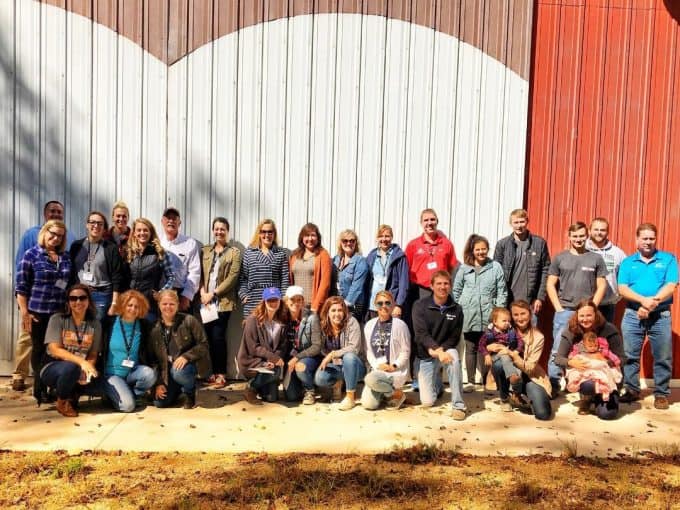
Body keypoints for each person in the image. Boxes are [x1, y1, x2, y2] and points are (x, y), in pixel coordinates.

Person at [11, 200, 76, 392]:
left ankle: (49, 384)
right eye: (52, 234)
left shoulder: (64, 255)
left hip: (56, 311)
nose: (55, 238)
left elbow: (66, 280)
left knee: (53, 349)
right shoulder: (31, 248)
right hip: (36, 309)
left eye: (59, 236)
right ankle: (34, 384)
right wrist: (24, 309)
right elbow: (21, 280)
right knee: (35, 346)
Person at [618, 223, 678, 410]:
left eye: (651, 238)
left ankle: (661, 393)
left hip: (660, 315)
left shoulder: (668, 259)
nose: (648, 242)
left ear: (656, 239)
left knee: (662, 356)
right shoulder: (628, 262)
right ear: (637, 240)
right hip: (632, 314)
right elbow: (622, 288)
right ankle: (632, 389)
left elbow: (671, 285)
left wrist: (652, 303)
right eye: (644, 238)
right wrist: (643, 301)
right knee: (629, 355)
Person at [546, 221, 608, 395]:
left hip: (587, 314)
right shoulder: (560, 258)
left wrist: (592, 307)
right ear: (569, 236)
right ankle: (554, 383)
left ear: (586, 235)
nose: (578, 239)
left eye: (581, 235)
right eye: (575, 236)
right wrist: (558, 308)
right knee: (558, 348)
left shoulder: (595, 258)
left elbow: (602, 285)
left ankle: (582, 383)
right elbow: (550, 284)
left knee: (587, 346)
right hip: (565, 310)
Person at [452, 234, 507, 392]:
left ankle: (485, 381)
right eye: (478, 249)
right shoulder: (464, 268)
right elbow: (456, 290)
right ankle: (470, 381)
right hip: (469, 314)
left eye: (484, 249)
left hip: (488, 314)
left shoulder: (495, 267)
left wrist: (497, 311)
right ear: (472, 250)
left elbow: (501, 291)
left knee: (487, 347)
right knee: (471, 348)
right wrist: (461, 307)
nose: (481, 252)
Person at [553, 299, 624, 419]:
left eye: (589, 315)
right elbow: (558, 358)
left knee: (607, 414)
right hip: (585, 375)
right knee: (587, 385)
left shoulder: (608, 330)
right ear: (577, 316)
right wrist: (571, 362)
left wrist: (603, 361)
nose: (585, 319)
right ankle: (587, 397)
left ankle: (603, 396)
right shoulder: (571, 331)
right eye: (582, 315)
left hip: (606, 375)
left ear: (596, 315)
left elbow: (623, 358)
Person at [39, 284, 102, 417]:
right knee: (71, 367)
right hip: (52, 367)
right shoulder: (57, 319)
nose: (78, 302)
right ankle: (61, 401)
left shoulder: (95, 324)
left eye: (82, 298)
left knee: (98, 379)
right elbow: (54, 349)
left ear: (88, 301)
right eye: (73, 298)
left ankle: (72, 393)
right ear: (68, 302)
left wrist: (88, 369)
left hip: (78, 368)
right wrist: (81, 363)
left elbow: (93, 354)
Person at [412, 270, 467, 420]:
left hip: (444, 350)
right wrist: (434, 350)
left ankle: (458, 405)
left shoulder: (457, 309)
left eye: (446, 283)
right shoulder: (419, 306)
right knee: (428, 401)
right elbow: (421, 334)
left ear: (450, 286)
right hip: (426, 353)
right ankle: (437, 384)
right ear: (431, 286)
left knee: (454, 359)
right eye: (439, 284)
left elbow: (454, 337)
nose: (442, 287)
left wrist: (440, 351)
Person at [488, 300, 552, 419]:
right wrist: (489, 347)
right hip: (509, 374)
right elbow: (487, 344)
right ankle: (506, 395)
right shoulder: (503, 330)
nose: (520, 318)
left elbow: (530, 368)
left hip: (530, 376)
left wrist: (512, 354)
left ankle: (522, 394)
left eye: (523, 313)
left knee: (543, 414)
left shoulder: (538, 336)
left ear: (530, 313)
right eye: (515, 315)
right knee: (498, 364)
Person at [148, 290, 210, 409]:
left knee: (178, 372)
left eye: (172, 304)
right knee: (160, 403)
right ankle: (177, 390)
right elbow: (153, 360)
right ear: (159, 305)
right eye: (164, 304)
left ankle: (190, 392)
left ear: (177, 305)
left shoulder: (189, 320)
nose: (168, 307)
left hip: (187, 368)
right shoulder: (154, 328)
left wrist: (186, 357)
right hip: (167, 372)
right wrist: (158, 383)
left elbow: (204, 344)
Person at [199, 217, 241, 389]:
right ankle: (212, 373)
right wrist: (202, 292)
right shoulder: (206, 251)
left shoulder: (234, 253)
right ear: (212, 230)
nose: (219, 232)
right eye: (216, 229)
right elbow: (200, 273)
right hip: (205, 302)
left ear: (227, 231)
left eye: (222, 229)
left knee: (218, 337)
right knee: (208, 338)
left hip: (222, 302)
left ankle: (221, 374)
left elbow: (232, 277)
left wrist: (213, 293)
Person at [100, 290, 156, 413]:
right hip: (113, 374)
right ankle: (113, 394)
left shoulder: (143, 325)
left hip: (132, 372)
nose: (133, 309)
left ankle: (133, 393)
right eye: (129, 305)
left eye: (137, 306)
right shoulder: (109, 323)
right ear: (123, 305)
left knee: (149, 374)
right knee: (128, 406)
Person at [493, 208, 550, 317]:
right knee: (507, 333)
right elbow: (495, 273)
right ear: (511, 223)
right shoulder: (502, 245)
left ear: (527, 222)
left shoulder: (539, 243)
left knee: (530, 333)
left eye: (522, 222)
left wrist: (539, 297)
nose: (519, 225)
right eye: (516, 222)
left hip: (530, 301)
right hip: (507, 300)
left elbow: (545, 271)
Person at [237, 287, 290, 405]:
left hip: (269, 363)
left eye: (275, 300)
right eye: (269, 300)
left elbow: (282, 345)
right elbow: (253, 347)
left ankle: (260, 386)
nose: (273, 303)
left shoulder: (282, 321)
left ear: (280, 301)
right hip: (252, 361)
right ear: (264, 301)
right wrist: (272, 358)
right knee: (275, 372)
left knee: (272, 398)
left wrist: (275, 358)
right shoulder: (252, 320)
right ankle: (251, 387)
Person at [69, 210, 126, 320]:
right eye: (92, 222)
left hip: (101, 295)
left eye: (100, 224)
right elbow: (71, 271)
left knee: (96, 328)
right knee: (79, 327)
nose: (96, 226)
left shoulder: (110, 248)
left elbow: (117, 276)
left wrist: (114, 302)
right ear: (87, 225)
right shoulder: (76, 246)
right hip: (79, 294)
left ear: (104, 228)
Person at [361, 291, 411, 411]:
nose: (383, 306)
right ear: (375, 305)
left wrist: (394, 366)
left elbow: (406, 351)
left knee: (370, 379)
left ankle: (394, 393)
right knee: (369, 405)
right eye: (380, 303)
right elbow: (368, 351)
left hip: (395, 372)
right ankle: (392, 394)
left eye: (387, 303)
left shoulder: (400, 325)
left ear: (393, 305)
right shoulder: (369, 325)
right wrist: (378, 365)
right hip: (378, 370)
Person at [314, 296, 366, 411]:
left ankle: (350, 397)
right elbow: (320, 348)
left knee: (349, 357)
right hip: (336, 366)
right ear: (327, 312)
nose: (337, 314)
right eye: (333, 310)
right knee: (320, 378)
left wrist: (333, 354)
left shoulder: (352, 322)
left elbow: (354, 348)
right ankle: (339, 382)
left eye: (340, 310)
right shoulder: (322, 326)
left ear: (344, 311)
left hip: (356, 366)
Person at [126, 218, 176, 321]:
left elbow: (171, 277)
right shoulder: (129, 252)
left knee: (148, 334)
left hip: (149, 305)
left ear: (150, 232)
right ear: (134, 233)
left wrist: (161, 294)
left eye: (145, 230)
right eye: (139, 230)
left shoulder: (160, 253)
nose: (142, 233)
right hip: (130, 304)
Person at [238, 219, 289, 317]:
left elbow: (285, 279)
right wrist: (243, 295)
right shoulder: (250, 252)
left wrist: (282, 299)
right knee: (253, 330)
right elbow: (242, 278)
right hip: (253, 300)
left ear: (274, 234)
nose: (267, 235)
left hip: (273, 299)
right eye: (263, 232)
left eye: (270, 232)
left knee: (273, 331)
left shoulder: (280, 253)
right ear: (259, 233)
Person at [283, 286, 322, 405]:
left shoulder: (312, 318)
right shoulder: (282, 317)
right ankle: (301, 382)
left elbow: (316, 346)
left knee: (300, 366)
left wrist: (297, 358)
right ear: (286, 301)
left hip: (309, 357)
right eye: (292, 299)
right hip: (290, 360)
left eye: (299, 300)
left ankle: (309, 390)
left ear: (303, 301)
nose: (296, 303)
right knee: (291, 397)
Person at [480, 307, 526, 407]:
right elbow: (481, 345)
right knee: (505, 357)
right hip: (496, 357)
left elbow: (520, 342)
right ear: (495, 321)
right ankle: (512, 377)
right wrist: (486, 354)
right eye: (504, 321)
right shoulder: (489, 333)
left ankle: (516, 392)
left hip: (510, 356)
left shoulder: (511, 331)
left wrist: (517, 351)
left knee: (518, 371)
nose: (507, 323)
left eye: (509, 321)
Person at [565, 332, 622, 411]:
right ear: (584, 345)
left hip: (601, 371)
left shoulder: (602, 351)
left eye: (595, 345)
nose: (593, 348)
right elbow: (572, 356)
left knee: (608, 414)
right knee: (586, 383)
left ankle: (603, 394)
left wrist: (614, 361)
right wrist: (572, 359)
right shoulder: (580, 352)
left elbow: (613, 357)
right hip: (587, 373)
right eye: (590, 346)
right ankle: (586, 399)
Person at [159, 207, 201, 312]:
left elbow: (195, 272)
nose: (171, 221)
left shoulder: (189, 243)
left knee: (184, 327)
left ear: (179, 222)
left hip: (181, 294)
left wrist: (186, 296)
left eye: (174, 218)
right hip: (161, 294)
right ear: (162, 221)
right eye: (168, 218)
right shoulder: (157, 242)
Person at [364, 224, 409, 320]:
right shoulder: (371, 256)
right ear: (377, 238)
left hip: (390, 305)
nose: (384, 239)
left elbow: (404, 283)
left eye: (387, 236)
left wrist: (399, 305)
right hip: (373, 305)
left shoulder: (399, 257)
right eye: (381, 236)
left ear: (392, 237)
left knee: (389, 333)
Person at [586, 217, 626, 322]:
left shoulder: (617, 253)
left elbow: (626, 277)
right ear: (589, 231)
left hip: (607, 305)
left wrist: (618, 295)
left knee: (604, 337)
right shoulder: (582, 250)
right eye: (596, 229)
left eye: (602, 230)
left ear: (607, 232)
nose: (599, 233)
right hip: (584, 304)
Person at [290, 223, 332, 314]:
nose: (310, 239)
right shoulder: (295, 255)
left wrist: (316, 305)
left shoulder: (323, 255)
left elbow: (325, 283)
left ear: (318, 238)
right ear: (302, 238)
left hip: (312, 306)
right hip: (295, 304)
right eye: (307, 235)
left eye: (313, 235)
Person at [332, 229, 369, 321]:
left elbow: (357, 287)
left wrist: (345, 305)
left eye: (352, 241)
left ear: (356, 243)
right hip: (337, 304)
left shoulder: (360, 261)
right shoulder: (336, 260)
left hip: (353, 305)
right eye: (345, 240)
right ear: (340, 243)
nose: (348, 243)